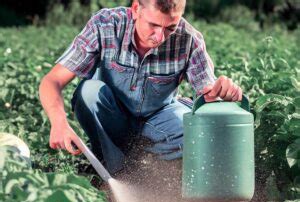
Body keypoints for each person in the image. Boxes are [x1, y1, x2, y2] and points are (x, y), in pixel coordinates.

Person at [39, 0, 243, 174]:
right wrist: (58, 122)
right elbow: (52, 81)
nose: (159, 37)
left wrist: (221, 92)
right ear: (135, 8)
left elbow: (207, 94)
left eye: (170, 28)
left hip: (159, 119)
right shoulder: (106, 24)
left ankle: (150, 167)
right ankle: (112, 166)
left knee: (191, 127)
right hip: (112, 116)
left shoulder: (189, 39)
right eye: (153, 25)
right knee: (88, 93)